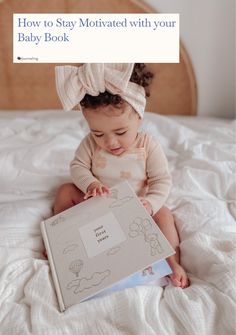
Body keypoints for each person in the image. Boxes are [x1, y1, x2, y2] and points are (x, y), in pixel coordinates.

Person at [53, 63, 189, 288]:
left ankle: (172, 262)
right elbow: (78, 166)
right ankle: (61, 242)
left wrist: (151, 203)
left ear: (139, 117)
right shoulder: (90, 145)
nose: (110, 142)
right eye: (98, 133)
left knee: (164, 215)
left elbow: (161, 180)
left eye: (120, 132)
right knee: (65, 191)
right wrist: (91, 184)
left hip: (137, 208)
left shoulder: (148, 146)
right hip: (97, 205)